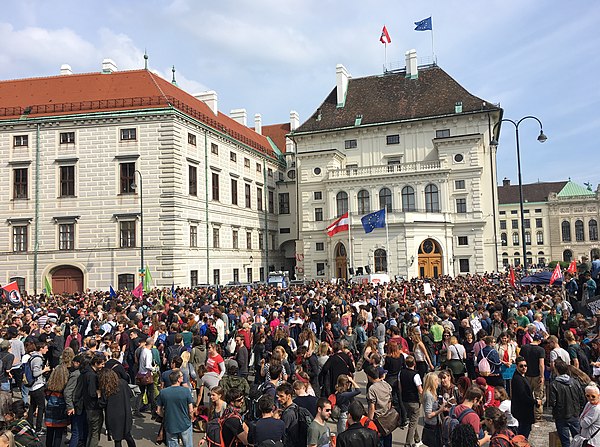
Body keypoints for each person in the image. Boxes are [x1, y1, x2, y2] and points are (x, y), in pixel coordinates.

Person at [549, 359, 586, 447]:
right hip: (574, 414)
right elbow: (582, 398)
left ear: (556, 370)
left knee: (565, 442)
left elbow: (552, 402)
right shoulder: (575, 382)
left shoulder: (554, 384)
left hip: (561, 416)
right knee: (578, 440)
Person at [156, 370, 195, 447]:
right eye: (181, 376)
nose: (183, 377)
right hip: (184, 423)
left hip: (170, 424)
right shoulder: (186, 391)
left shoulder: (163, 392)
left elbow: (158, 411)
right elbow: (191, 410)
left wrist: (165, 416)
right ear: (178, 379)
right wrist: (191, 418)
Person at [98, 369, 136, 447]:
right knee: (128, 435)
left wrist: (99, 396)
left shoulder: (106, 388)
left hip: (113, 416)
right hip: (125, 413)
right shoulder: (123, 383)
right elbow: (131, 395)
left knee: (117, 439)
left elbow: (102, 404)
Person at [44, 352, 71, 447]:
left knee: (50, 431)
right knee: (58, 433)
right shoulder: (65, 386)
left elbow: (46, 394)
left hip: (51, 407)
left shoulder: (50, 385)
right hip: (61, 408)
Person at [518, 334, 545, 422]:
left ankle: (525, 413)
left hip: (526, 375)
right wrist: (542, 376)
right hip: (536, 375)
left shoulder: (524, 348)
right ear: (540, 341)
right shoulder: (541, 350)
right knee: (538, 395)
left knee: (526, 395)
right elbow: (541, 364)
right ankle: (537, 415)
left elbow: (519, 360)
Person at [511, 357, 539, 439]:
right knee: (523, 435)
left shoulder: (521, 377)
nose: (524, 368)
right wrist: (535, 402)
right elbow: (523, 396)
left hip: (524, 411)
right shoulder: (518, 379)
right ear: (517, 366)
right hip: (522, 412)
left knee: (525, 432)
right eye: (521, 366)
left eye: (525, 366)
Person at [27, 342, 51, 436]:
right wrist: (45, 370)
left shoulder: (32, 356)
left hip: (33, 386)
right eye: (46, 348)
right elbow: (35, 373)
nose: (47, 350)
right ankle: (38, 428)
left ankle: (29, 426)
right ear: (41, 348)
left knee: (32, 406)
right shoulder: (37, 359)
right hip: (37, 386)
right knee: (41, 407)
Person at [81, 355, 105, 447]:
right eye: (101, 364)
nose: (103, 366)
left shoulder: (86, 372)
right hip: (93, 407)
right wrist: (98, 394)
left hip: (88, 406)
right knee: (95, 432)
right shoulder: (92, 376)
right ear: (96, 363)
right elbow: (92, 393)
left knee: (91, 432)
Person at [399, 356, 422, 447]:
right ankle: (408, 443)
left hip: (405, 399)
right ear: (414, 363)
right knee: (413, 422)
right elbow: (420, 390)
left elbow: (400, 386)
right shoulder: (415, 375)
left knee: (413, 419)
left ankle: (417, 439)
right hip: (414, 400)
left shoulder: (401, 373)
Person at [422, 372, 447, 447]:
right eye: (436, 380)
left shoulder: (433, 392)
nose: (438, 382)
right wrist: (440, 410)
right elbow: (428, 414)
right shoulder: (428, 395)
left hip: (435, 424)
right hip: (431, 426)